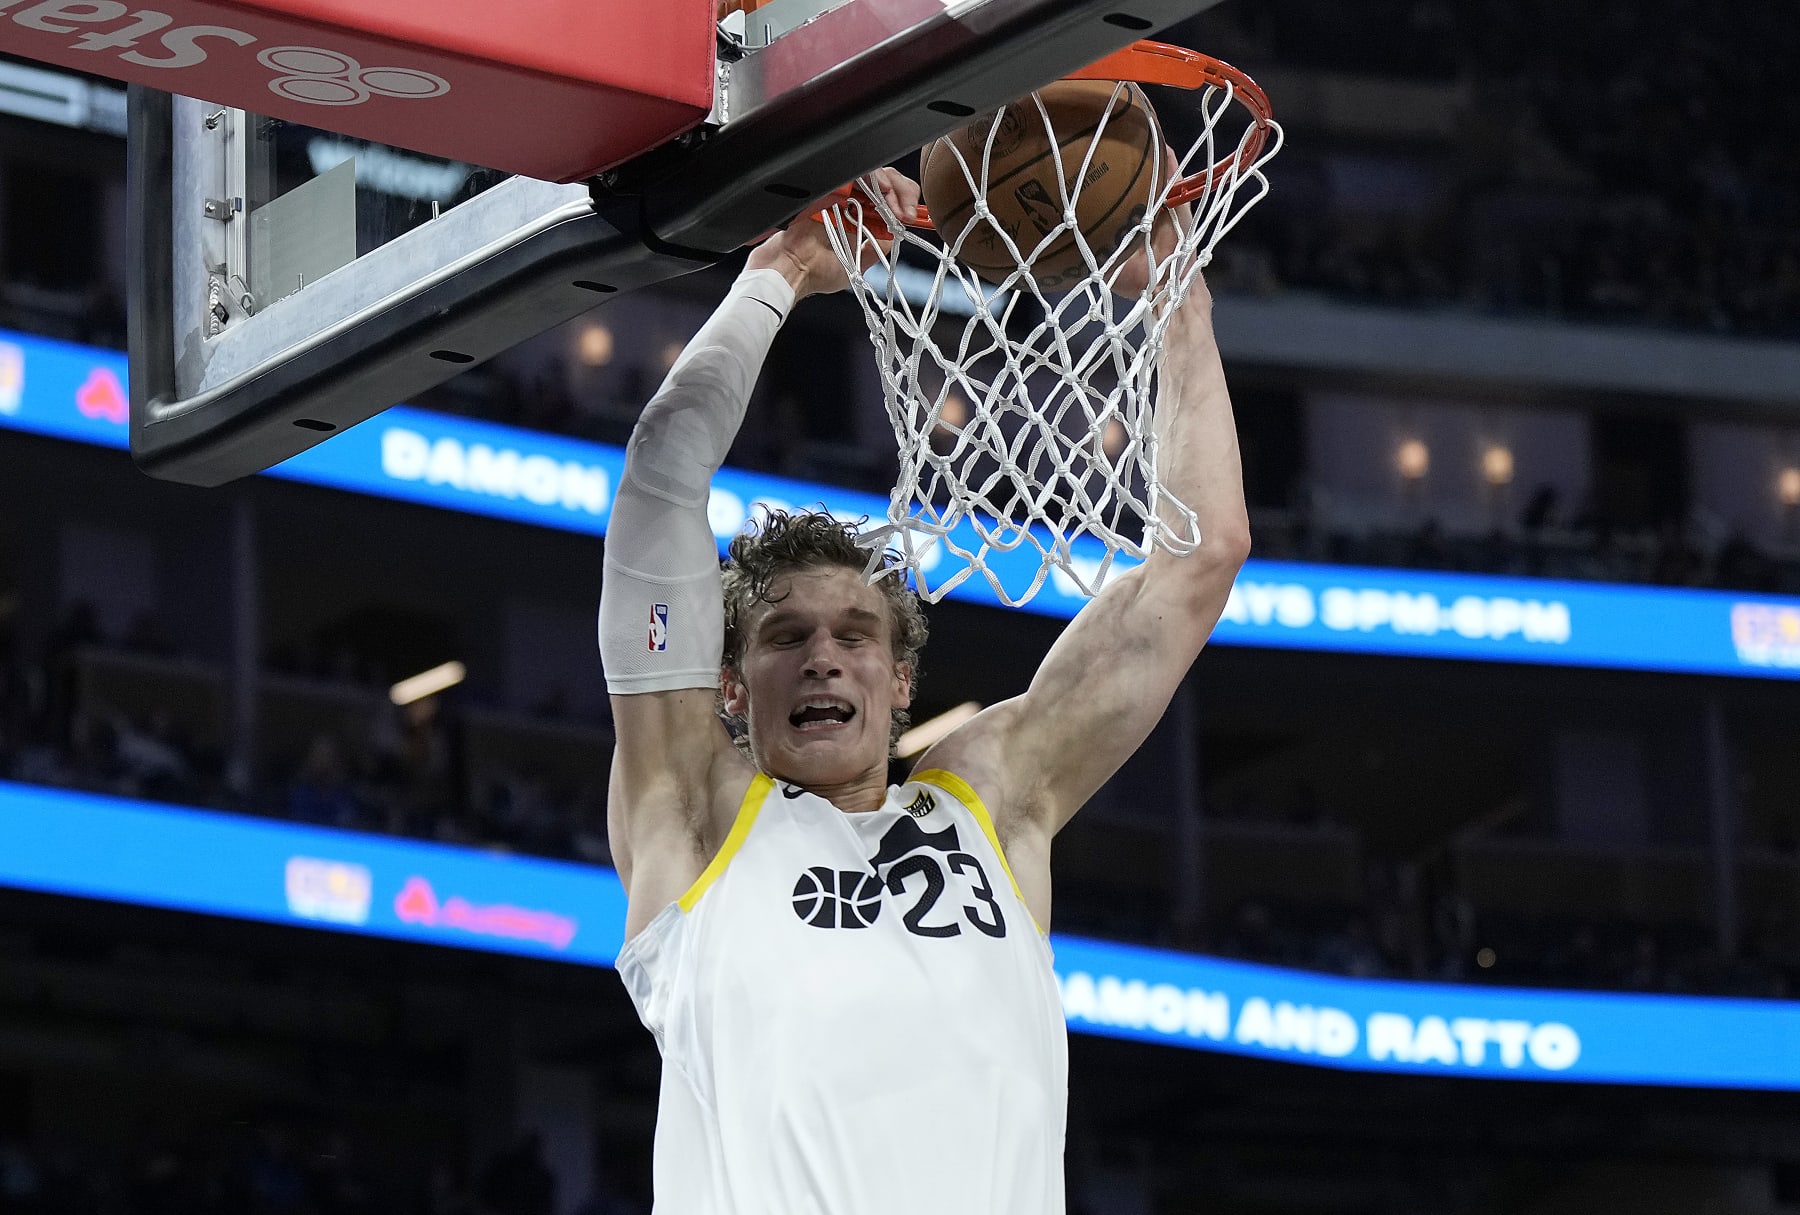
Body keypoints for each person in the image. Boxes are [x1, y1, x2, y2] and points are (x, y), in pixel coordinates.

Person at [598, 168, 1250, 1214]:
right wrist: (775, 278)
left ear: (900, 678)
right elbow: (659, 477)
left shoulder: (992, 799)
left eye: (855, 636)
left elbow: (1201, 558)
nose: (822, 658)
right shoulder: (695, 821)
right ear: (728, 681)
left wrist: (1177, 300)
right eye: (786, 637)